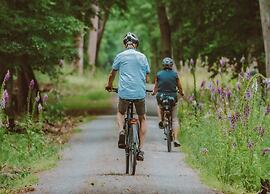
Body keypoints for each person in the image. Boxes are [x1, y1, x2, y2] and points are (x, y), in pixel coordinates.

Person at [105, 32, 150, 161]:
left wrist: (109, 85)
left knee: (120, 113)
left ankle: (121, 131)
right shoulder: (142, 57)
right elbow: (147, 77)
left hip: (124, 92)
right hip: (139, 93)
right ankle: (140, 150)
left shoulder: (120, 56)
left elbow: (112, 74)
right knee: (142, 118)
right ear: (136, 44)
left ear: (126, 45)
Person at [152, 57, 184, 147]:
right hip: (172, 97)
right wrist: (181, 93)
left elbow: (156, 88)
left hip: (161, 97)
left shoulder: (158, 74)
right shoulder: (175, 75)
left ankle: (160, 120)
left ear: (163, 65)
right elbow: (180, 87)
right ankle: (176, 139)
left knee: (159, 105)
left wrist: (154, 93)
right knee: (174, 119)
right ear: (171, 65)